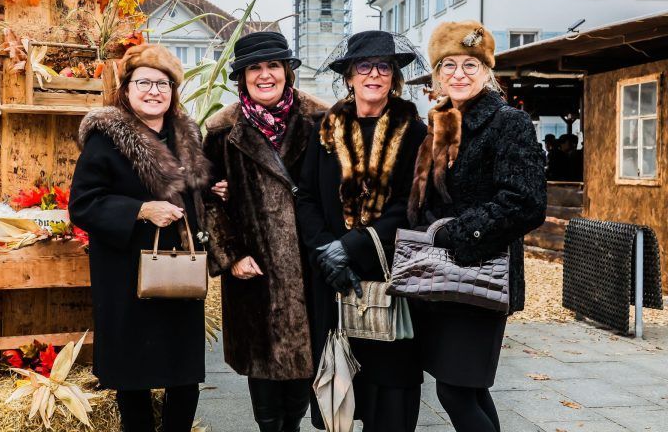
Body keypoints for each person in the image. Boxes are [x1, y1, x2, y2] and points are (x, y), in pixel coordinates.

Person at [407, 20, 547, 432]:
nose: (458, 75)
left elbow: (525, 202)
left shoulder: (508, 123)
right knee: (467, 389)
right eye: (448, 65)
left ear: (487, 71)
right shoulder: (441, 125)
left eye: (470, 64)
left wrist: (457, 235)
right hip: (445, 278)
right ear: (436, 74)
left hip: (481, 276)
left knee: (455, 390)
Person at [69, 43, 210, 432]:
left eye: (162, 83)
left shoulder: (187, 136)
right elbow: (83, 203)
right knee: (133, 373)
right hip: (126, 272)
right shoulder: (106, 138)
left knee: (184, 370)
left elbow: (194, 189)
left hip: (179, 270)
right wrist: (139, 210)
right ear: (127, 89)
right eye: (144, 82)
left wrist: (214, 190)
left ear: (173, 91)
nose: (154, 91)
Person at [296, 30, 428, 431]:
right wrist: (326, 252)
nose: (374, 74)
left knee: (389, 397)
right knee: (340, 390)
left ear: (394, 77)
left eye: (384, 66)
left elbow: (413, 204)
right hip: (333, 280)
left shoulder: (415, 132)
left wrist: (350, 247)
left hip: (388, 278)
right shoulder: (323, 131)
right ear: (349, 76)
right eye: (364, 66)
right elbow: (305, 198)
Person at [203, 31, 327, 432]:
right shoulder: (222, 130)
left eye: (273, 65)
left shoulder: (322, 121)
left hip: (311, 265)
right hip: (253, 269)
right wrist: (231, 254)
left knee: (304, 371)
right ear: (242, 78)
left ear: (287, 71)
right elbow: (207, 199)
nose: (265, 75)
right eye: (254, 68)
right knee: (263, 372)